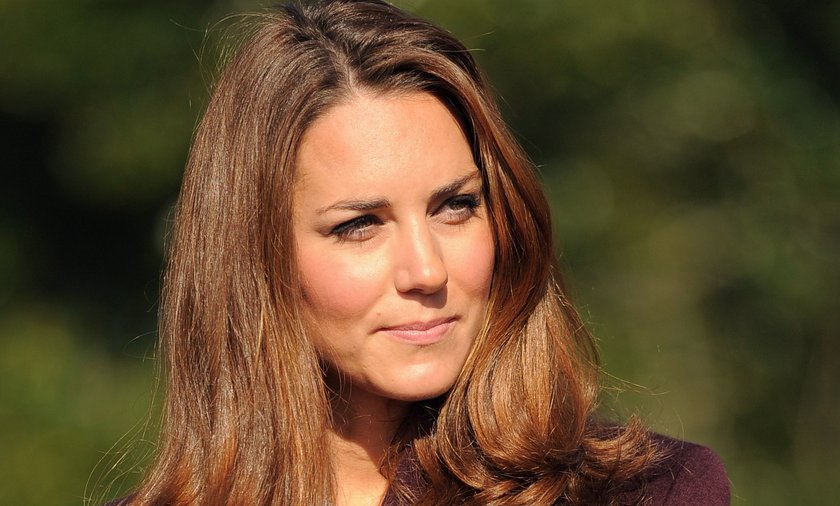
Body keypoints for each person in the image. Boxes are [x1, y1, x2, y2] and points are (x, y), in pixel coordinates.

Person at [109, 0, 730, 504]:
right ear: (254, 259)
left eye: (454, 206)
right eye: (360, 225)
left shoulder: (648, 493)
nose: (427, 271)